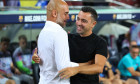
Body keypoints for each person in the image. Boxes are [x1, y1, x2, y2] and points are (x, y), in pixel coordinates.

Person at [33, 6, 108, 84]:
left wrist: (76, 69)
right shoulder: (67, 37)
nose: (79, 23)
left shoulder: (100, 42)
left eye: (84, 21)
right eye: (78, 19)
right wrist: (37, 57)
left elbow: (99, 67)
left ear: (93, 24)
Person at [36, 0, 87, 84]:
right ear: (54, 13)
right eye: (65, 14)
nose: (68, 17)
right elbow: (63, 68)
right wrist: (84, 66)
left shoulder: (42, 33)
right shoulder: (59, 33)